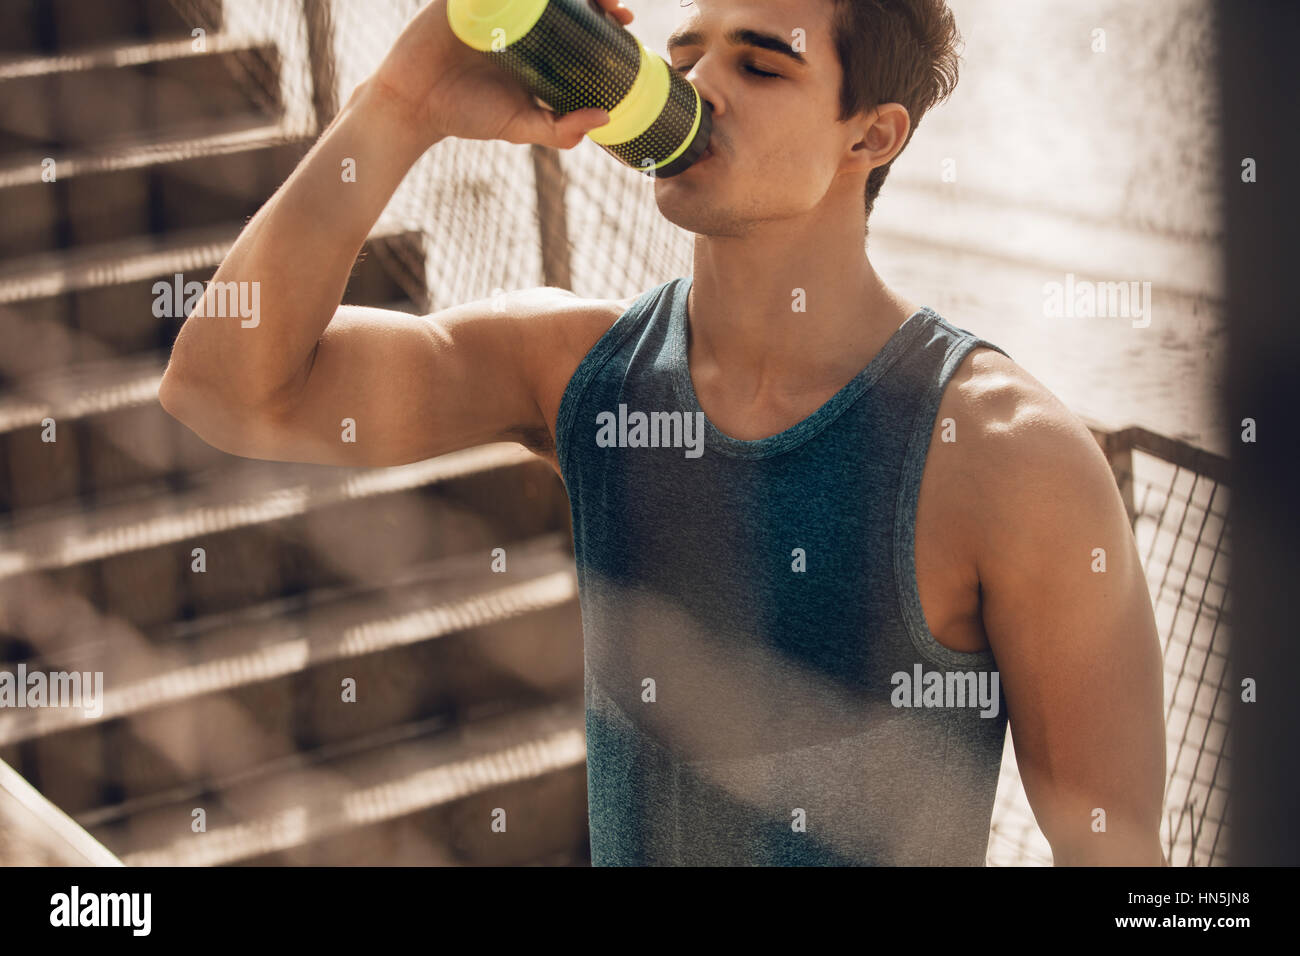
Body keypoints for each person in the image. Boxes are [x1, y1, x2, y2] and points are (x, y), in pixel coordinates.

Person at [158, 0, 1167, 865]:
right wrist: (405, 101)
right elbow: (226, 390)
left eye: (760, 64)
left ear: (872, 135)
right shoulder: (577, 368)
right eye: (685, 56)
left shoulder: (1007, 456)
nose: (700, 87)